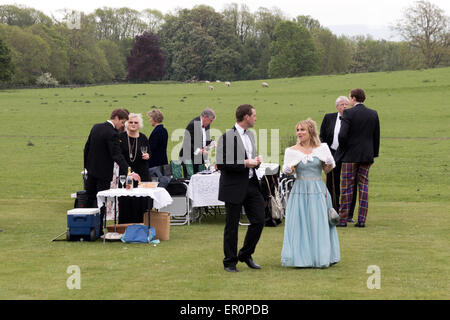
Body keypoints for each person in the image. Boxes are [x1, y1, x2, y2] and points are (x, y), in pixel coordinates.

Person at [281, 118, 340, 268]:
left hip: (318, 190)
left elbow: (327, 170)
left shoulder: (322, 148)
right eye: (298, 130)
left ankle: (321, 256)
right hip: (299, 190)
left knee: (318, 222)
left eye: (302, 130)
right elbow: (287, 170)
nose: (299, 133)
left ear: (311, 132)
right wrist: (288, 170)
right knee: (300, 223)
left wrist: (329, 163)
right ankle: (301, 258)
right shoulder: (291, 151)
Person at [216, 104, 265, 272]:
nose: (255, 118)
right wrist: (245, 163)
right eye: (254, 115)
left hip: (251, 185)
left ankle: (245, 254)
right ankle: (230, 262)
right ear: (246, 116)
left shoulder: (250, 135)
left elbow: (250, 159)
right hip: (233, 186)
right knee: (232, 226)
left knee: (259, 220)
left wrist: (256, 162)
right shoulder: (226, 136)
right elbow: (221, 163)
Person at [83, 108, 139, 233]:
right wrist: (130, 171)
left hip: (91, 171)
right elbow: (117, 155)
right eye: (123, 122)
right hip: (103, 173)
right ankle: (98, 229)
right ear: (117, 118)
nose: (122, 125)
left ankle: (85, 227)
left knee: (89, 198)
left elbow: (86, 149)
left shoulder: (95, 127)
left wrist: (87, 167)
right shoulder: (112, 133)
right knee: (101, 201)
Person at [335, 88, 380, 228]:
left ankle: (342, 219)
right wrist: (373, 155)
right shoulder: (373, 113)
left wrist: (343, 149)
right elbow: (376, 137)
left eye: (350, 98)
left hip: (350, 156)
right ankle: (362, 220)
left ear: (353, 98)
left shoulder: (348, 113)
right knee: (364, 187)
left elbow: (342, 135)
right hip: (366, 156)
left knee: (346, 187)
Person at [320, 96, 358, 222]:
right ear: (337, 107)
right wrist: (324, 155)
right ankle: (333, 211)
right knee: (332, 182)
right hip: (332, 154)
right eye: (342, 104)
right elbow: (322, 137)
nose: (345, 106)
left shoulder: (354, 119)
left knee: (349, 184)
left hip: (348, 155)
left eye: (347, 104)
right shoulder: (328, 118)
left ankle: (348, 214)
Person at [118, 113, 150, 224]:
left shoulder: (143, 137)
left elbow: (150, 153)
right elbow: (118, 155)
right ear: (126, 123)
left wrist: (148, 156)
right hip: (126, 173)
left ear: (139, 125)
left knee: (140, 201)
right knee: (126, 200)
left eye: (135, 122)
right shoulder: (121, 137)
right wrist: (128, 171)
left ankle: (141, 226)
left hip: (142, 173)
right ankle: (125, 227)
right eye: (130, 122)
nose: (133, 124)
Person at [179, 108, 216, 173]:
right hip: (189, 158)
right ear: (204, 117)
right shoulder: (193, 124)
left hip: (200, 158)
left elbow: (204, 139)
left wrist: (212, 142)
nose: (211, 122)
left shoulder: (207, 124)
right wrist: (199, 151)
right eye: (210, 120)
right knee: (190, 179)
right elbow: (187, 143)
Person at [147, 109, 168, 178]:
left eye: (150, 118)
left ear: (154, 119)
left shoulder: (157, 131)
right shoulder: (164, 130)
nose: (149, 120)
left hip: (156, 163)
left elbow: (151, 147)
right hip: (163, 160)